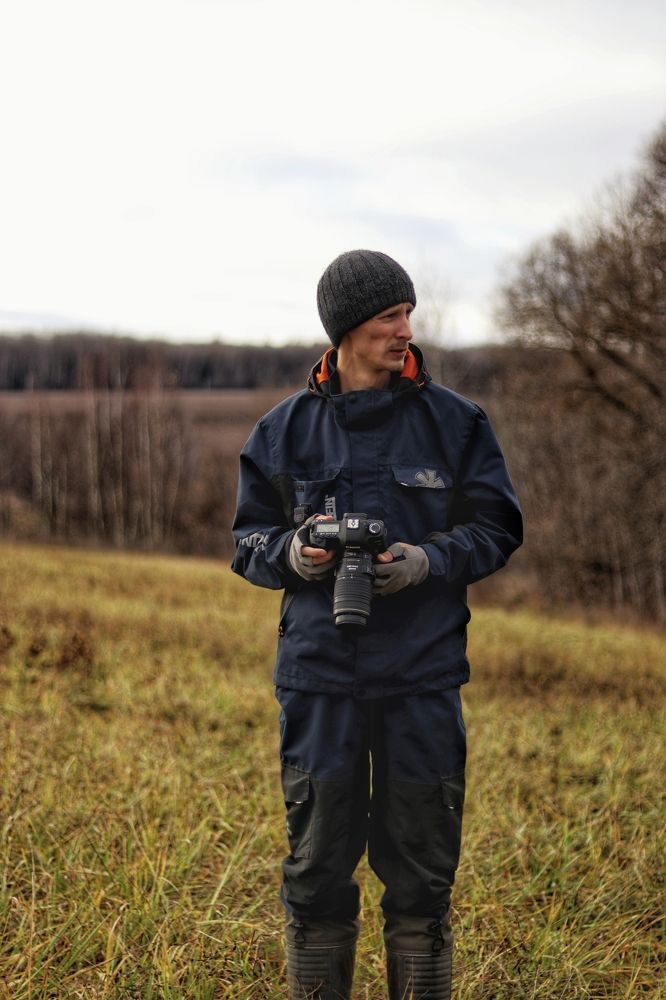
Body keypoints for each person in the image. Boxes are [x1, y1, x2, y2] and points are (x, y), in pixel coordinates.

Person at [231, 249, 523, 1000]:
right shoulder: (282, 432)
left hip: (422, 680)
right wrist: (295, 552)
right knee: (318, 872)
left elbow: (497, 528)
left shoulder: (456, 424)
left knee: (422, 880)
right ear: (347, 329)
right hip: (319, 683)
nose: (406, 330)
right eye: (390, 316)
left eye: (407, 313)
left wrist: (427, 561)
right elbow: (246, 543)